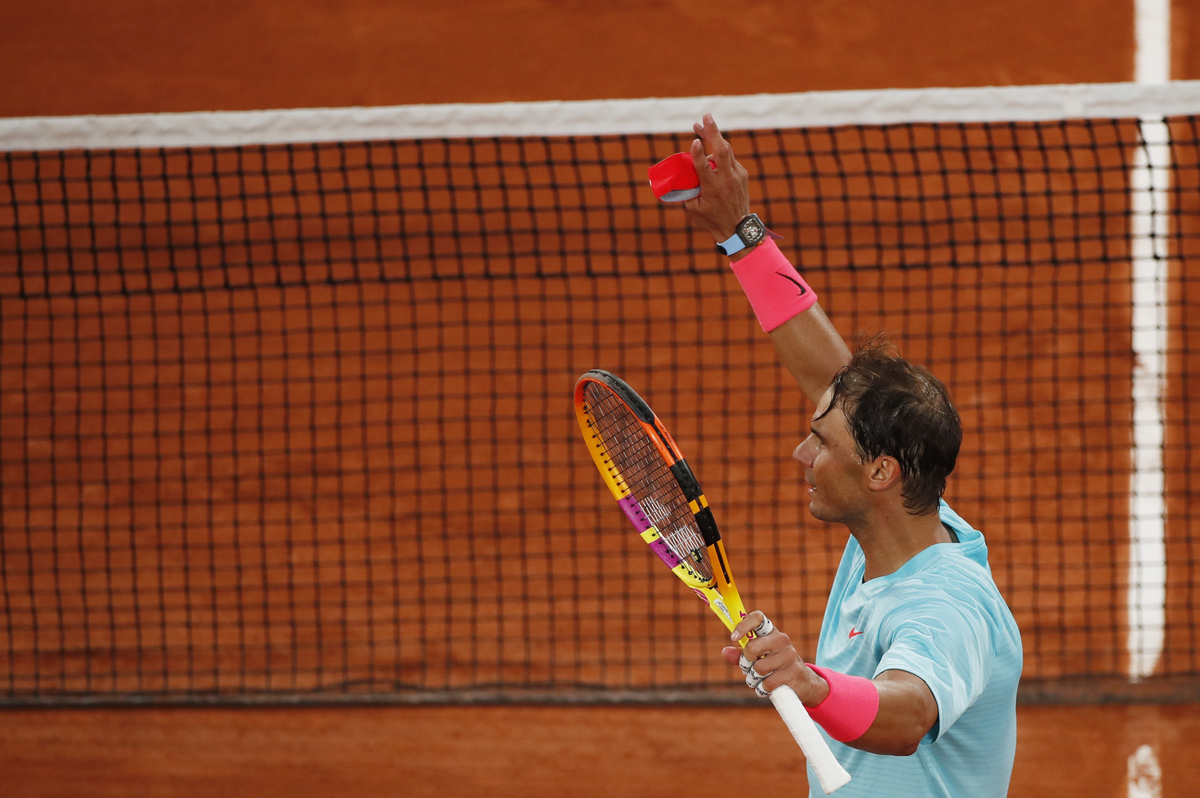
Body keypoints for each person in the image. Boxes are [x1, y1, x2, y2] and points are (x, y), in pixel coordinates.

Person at [679, 113, 1022, 798]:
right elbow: (831, 380)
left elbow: (908, 712)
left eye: (822, 441)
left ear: (880, 471)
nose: (801, 452)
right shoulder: (906, 517)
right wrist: (739, 232)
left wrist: (811, 685)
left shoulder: (946, 605)